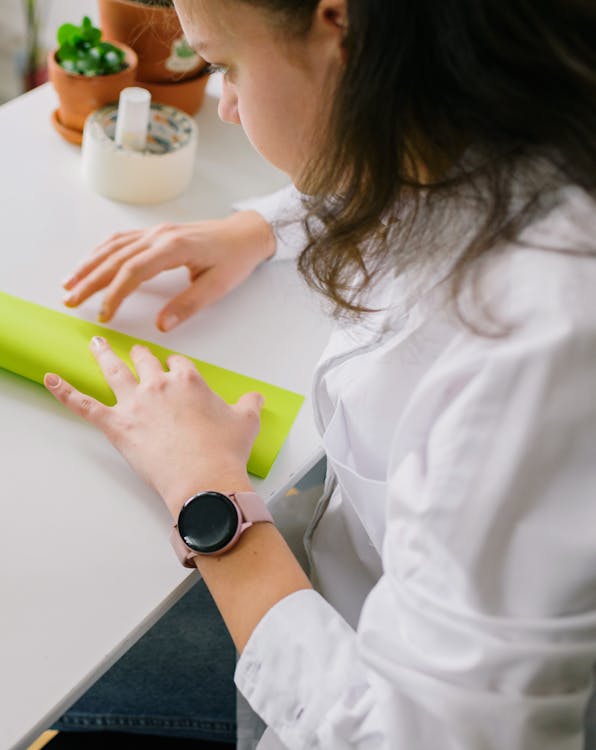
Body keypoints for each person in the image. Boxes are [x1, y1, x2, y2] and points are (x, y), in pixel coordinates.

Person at [43, 0, 596, 747]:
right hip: (347, 587)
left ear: (342, 27)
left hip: (358, 678)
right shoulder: (512, 85)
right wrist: (263, 225)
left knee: (52, 678)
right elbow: (411, 150)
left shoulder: (542, 343)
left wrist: (208, 493)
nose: (228, 108)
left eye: (226, 66)